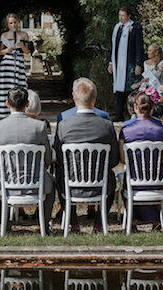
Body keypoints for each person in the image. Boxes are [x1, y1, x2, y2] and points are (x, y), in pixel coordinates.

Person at [53, 78, 119, 232]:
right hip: (101, 185)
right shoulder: (107, 126)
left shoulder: (63, 126)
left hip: (70, 185)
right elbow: (114, 160)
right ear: (94, 99)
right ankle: (99, 223)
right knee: (110, 176)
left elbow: (60, 159)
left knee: (60, 172)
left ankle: (74, 224)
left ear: (74, 98)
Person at [0, 86, 55, 223]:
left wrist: (4, 169)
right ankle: (45, 222)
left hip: (6, 181)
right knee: (52, 183)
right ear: (27, 104)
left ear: (7, 103)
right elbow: (47, 158)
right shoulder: (39, 127)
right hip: (36, 182)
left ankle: (5, 223)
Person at [120, 90, 163, 227]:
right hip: (158, 182)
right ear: (152, 107)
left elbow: (123, 160)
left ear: (135, 107)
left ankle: (132, 221)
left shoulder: (126, 131)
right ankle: (156, 220)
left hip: (134, 182)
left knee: (124, 180)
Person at [108, 6, 145, 120]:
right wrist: (111, 63)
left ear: (129, 16)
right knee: (118, 89)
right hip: (118, 64)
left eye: (123, 15)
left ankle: (133, 114)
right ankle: (119, 114)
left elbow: (139, 47)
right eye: (119, 15)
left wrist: (138, 64)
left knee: (130, 89)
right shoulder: (117, 28)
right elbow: (113, 47)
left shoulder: (135, 28)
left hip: (130, 63)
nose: (121, 18)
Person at [0, 13, 31, 117]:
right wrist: (7, 50)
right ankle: (3, 111)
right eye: (11, 23)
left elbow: (27, 52)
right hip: (7, 63)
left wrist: (22, 46)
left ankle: (20, 109)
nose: (13, 25)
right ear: (7, 24)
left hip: (18, 62)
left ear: (18, 23)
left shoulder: (24, 35)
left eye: (15, 22)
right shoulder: (4, 35)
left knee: (19, 87)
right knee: (5, 87)